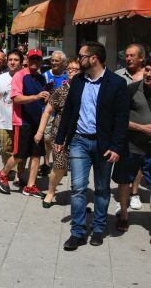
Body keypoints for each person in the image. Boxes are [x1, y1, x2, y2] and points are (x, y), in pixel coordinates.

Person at [55, 41, 129, 250]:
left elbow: (121, 118)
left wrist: (116, 147)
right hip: (79, 140)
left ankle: (98, 228)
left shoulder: (116, 83)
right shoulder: (78, 81)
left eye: (81, 56)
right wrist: (61, 139)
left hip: (104, 145)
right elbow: (69, 111)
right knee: (78, 188)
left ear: (93, 58)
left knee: (102, 188)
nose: (78, 59)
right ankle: (77, 232)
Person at [0, 49, 48, 197]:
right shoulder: (20, 75)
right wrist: (36, 96)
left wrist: (46, 97)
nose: (34, 63)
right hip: (22, 121)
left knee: (36, 155)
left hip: (37, 121)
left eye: (37, 60)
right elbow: (16, 98)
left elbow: (41, 100)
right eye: (32, 59)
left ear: (41, 62)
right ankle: (3, 173)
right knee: (19, 154)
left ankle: (30, 186)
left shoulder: (41, 78)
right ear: (27, 60)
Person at [34, 58, 81, 208]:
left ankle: (78, 199)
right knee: (59, 166)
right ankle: (51, 191)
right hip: (60, 134)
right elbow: (47, 111)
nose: (72, 72)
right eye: (70, 70)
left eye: (76, 69)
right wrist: (40, 132)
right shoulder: (61, 90)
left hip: (80, 134)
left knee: (79, 168)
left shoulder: (85, 89)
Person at [113, 55, 151, 233]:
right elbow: (119, 117)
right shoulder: (132, 89)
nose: (149, 74)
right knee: (124, 181)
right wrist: (142, 128)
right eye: (148, 70)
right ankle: (124, 215)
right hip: (130, 146)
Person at [0, 50, 25, 185]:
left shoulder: (26, 77)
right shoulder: (0, 78)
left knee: (21, 151)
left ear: (21, 62)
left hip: (21, 122)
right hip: (4, 121)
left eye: (16, 60)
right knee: (4, 149)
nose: (12, 62)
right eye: (10, 59)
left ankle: (20, 175)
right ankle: (8, 171)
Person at [115, 43, 146, 211]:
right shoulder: (119, 76)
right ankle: (123, 201)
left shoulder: (147, 76)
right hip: (125, 132)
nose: (128, 59)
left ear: (141, 57)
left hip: (145, 133)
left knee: (141, 164)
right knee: (124, 167)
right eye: (126, 56)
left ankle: (134, 192)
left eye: (131, 56)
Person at [40, 50, 68, 176]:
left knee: (60, 140)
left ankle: (60, 164)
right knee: (47, 139)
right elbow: (41, 94)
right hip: (49, 113)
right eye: (52, 60)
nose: (54, 62)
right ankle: (46, 163)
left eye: (57, 60)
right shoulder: (45, 75)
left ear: (63, 62)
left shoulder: (67, 76)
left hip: (63, 115)